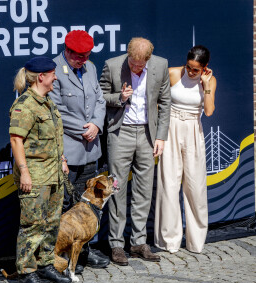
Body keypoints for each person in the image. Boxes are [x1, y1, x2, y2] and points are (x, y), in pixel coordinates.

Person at [100, 37, 171, 266]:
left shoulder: (160, 65)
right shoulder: (112, 65)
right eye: (133, 63)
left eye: (141, 65)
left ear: (149, 60)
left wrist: (160, 136)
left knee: (143, 190)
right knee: (117, 189)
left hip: (148, 134)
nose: (136, 68)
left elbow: (165, 102)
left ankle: (139, 242)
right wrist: (119, 98)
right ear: (127, 55)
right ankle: (117, 244)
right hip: (121, 132)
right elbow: (99, 97)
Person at [9, 56, 71, 283]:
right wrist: (24, 172)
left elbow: (53, 138)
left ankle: (45, 265)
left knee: (51, 223)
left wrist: (62, 160)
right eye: (53, 74)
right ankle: (26, 273)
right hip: (35, 176)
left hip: (53, 174)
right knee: (33, 224)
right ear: (41, 77)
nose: (56, 77)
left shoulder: (47, 102)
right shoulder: (26, 105)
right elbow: (16, 140)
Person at [49, 30, 109, 268]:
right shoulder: (53, 70)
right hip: (69, 149)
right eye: (78, 56)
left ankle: (84, 252)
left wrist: (96, 124)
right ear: (67, 50)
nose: (82, 60)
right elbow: (57, 109)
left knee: (88, 205)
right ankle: (58, 256)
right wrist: (84, 129)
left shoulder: (91, 68)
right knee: (64, 205)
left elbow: (101, 100)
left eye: (86, 55)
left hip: (90, 149)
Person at [155, 45, 217, 254]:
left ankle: (196, 242)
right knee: (169, 185)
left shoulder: (208, 81)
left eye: (196, 70)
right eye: (189, 67)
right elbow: (158, 103)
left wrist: (206, 84)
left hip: (193, 129)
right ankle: (169, 240)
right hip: (171, 127)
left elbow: (208, 111)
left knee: (195, 187)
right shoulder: (173, 73)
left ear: (205, 68)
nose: (191, 72)